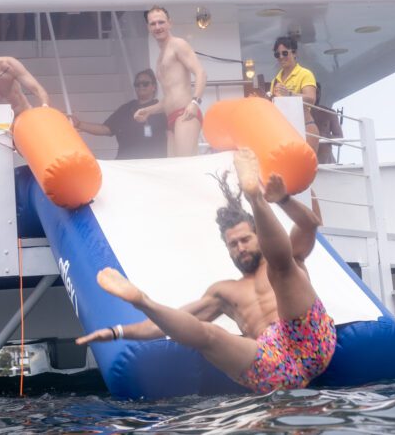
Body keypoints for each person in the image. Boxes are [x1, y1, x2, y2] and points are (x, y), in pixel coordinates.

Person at [77, 149, 336, 394]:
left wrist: (284, 199)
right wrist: (116, 332)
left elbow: (309, 225)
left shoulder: (289, 255)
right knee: (208, 337)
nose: (240, 248)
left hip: (310, 339)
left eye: (245, 239)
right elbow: (163, 326)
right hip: (269, 363)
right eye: (233, 244)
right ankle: (142, 300)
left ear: (258, 235)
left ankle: (255, 197)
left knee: (282, 266)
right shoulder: (224, 292)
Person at [134, 7, 206, 157]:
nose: (158, 27)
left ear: (169, 24)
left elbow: (201, 73)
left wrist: (195, 103)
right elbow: (168, 98)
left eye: (161, 22)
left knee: (183, 167)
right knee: (175, 169)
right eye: (153, 24)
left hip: (186, 114)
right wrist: (149, 111)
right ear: (148, 27)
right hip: (172, 118)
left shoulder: (178, 44)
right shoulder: (160, 57)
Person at [70, 69, 167, 159]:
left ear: (154, 87)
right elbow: (106, 129)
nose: (141, 86)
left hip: (153, 165)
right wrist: (79, 124)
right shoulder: (126, 108)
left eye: (145, 83)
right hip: (125, 165)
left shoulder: (161, 109)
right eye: (137, 84)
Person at [269, 35, 319, 153]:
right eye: (277, 54)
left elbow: (311, 99)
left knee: (305, 168)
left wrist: (289, 94)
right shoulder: (275, 80)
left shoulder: (304, 74)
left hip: (305, 126)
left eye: (285, 53)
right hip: (283, 130)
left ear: (294, 53)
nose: (281, 57)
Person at [312, 83, 343, 164]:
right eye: (314, 91)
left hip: (327, 163)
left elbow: (340, 140)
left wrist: (324, 136)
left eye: (318, 92)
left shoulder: (329, 113)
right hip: (304, 160)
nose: (317, 95)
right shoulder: (299, 112)